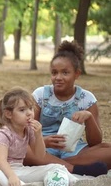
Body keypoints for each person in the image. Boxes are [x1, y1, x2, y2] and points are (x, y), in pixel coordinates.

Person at [25, 41, 110, 176]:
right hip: (43, 148)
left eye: (65, 73)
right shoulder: (40, 94)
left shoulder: (86, 98)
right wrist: (44, 142)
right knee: (21, 150)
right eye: (54, 72)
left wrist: (89, 117)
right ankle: (72, 167)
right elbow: (27, 132)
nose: (58, 78)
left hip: (75, 150)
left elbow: (95, 142)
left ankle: (53, 163)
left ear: (77, 74)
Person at [0, 87, 80, 186]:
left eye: (30, 108)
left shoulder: (28, 130)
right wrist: (12, 177)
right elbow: (1, 161)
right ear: (8, 114)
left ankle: (77, 184)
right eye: (22, 110)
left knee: (57, 167)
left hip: (19, 169)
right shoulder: (3, 133)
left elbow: (40, 156)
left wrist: (38, 134)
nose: (29, 113)